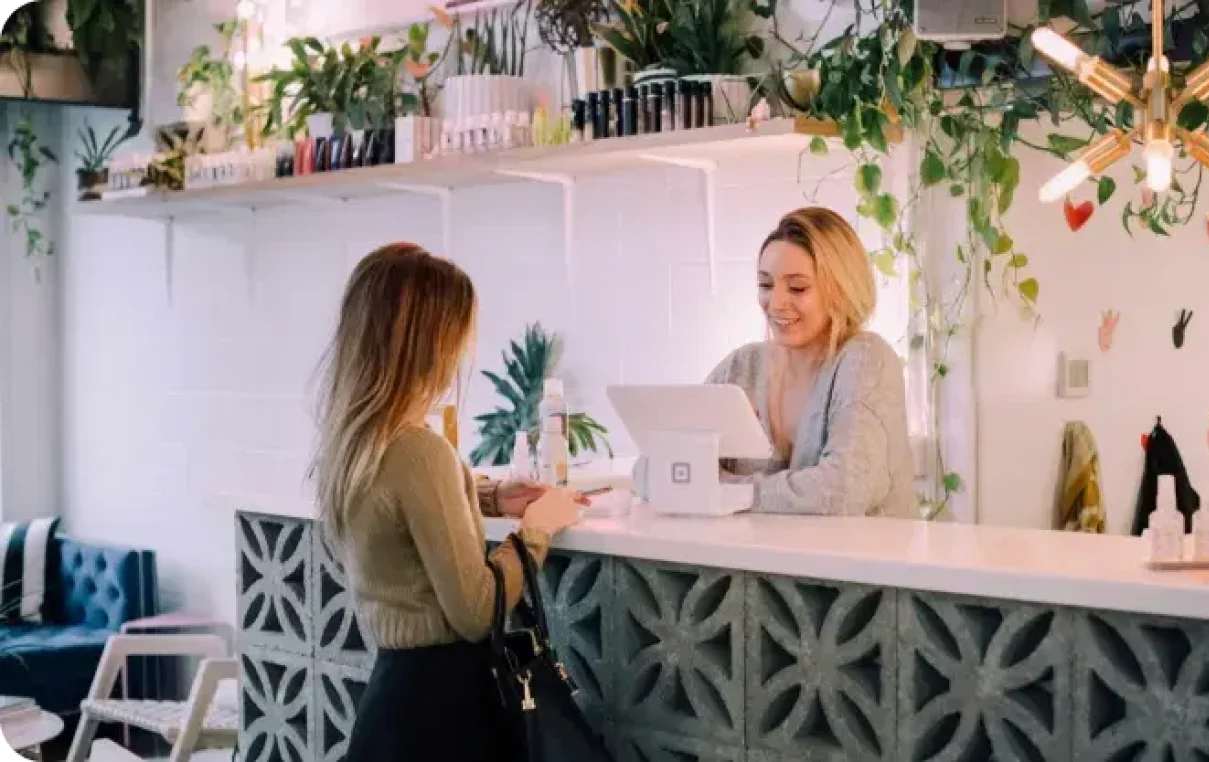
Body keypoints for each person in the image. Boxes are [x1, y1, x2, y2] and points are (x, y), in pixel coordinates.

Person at [311, 242, 583, 762]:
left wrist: (484, 497)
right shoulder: (420, 451)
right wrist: (537, 529)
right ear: (433, 343)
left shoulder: (355, 443)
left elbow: (396, 510)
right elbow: (477, 611)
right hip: (445, 712)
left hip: (391, 703)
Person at [640, 207, 915, 517]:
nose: (776, 303)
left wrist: (730, 490)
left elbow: (844, 489)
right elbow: (648, 472)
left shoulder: (866, 361)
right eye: (766, 285)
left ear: (841, 289)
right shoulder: (743, 367)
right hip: (762, 549)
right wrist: (709, 439)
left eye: (797, 288)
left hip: (861, 549)